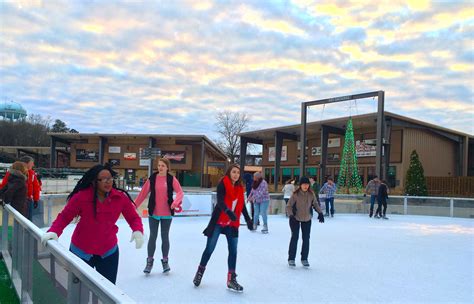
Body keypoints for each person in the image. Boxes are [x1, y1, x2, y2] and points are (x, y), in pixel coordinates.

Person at [40, 164, 144, 284]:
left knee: (106, 291)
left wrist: (137, 231)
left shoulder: (120, 198)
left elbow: (133, 218)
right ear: (94, 182)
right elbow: (64, 216)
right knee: (78, 291)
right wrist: (54, 231)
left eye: (110, 178)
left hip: (108, 252)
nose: (108, 182)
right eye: (103, 179)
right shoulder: (81, 197)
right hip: (81, 252)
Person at [193, 164, 253, 292]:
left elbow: (241, 206)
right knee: (209, 249)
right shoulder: (223, 184)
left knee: (233, 251)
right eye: (233, 172)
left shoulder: (239, 188)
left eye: (238, 172)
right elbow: (220, 201)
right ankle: (199, 272)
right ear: (229, 173)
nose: (236, 174)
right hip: (218, 223)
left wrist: (248, 219)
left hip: (232, 224)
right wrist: (228, 211)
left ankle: (231, 279)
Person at [135, 157, 184, 274]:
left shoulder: (171, 179)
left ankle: (165, 261)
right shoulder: (152, 178)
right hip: (154, 213)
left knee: (165, 237)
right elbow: (143, 194)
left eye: (163, 165)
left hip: (167, 213)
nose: (160, 167)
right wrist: (134, 205)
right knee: (153, 236)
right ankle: (149, 261)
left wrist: (175, 202)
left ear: (167, 168)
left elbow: (180, 192)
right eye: (159, 165)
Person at [286, 176, 324, 268]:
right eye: (304, 184)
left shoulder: (311, 194)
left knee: (306, 239)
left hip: (307, 218)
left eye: (307, 184)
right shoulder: (295, 194)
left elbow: (315, 203)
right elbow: (289, 206)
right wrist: (291, 215)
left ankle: (304, 258)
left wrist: (320, 213)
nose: (305, 186)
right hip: (295, 218)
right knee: (295, 237)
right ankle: (291, 258)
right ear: (300, 185)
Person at [0, 155, 40, 220]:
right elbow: (4, 186)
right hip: (18, 200)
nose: (33, 165)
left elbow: (36, 187)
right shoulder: (13, 173)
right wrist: (3, 197)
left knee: (28, 220)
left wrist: (36, 199)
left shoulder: (32, 173)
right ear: (26, 163)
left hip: (28, 200)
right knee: (21, 220)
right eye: (31, 163)